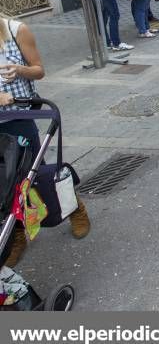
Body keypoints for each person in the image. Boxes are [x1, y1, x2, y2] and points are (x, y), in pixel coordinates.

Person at [1, 17, 90, 266]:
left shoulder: (15, 30)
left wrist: (19, 70)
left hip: (19, 116)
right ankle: (16, 235)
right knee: (4, 186)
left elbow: (38, 70)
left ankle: (74, 208)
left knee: (33, 175)